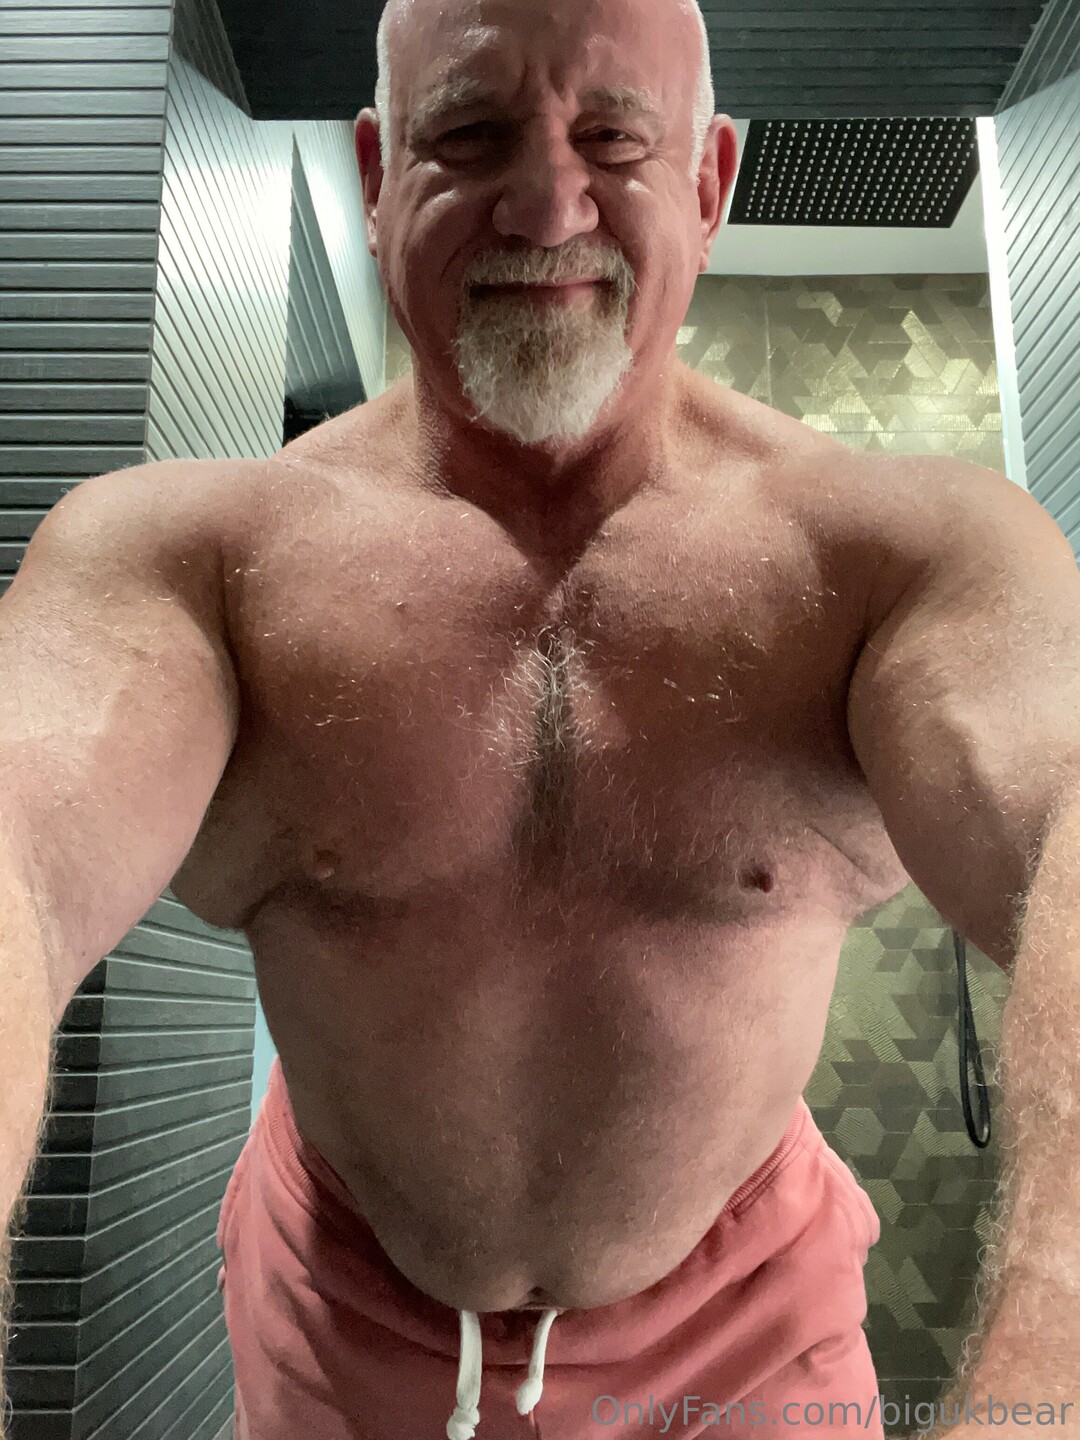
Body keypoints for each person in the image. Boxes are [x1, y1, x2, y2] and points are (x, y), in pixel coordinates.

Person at [2, 0, 1079, 1435]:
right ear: (377, 172)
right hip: (338, 1314)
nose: (547, 201)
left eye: (614, 137)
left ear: (710, 181)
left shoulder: (901, 558)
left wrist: (1042, 1390)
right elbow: (16, 846)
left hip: (749, 1326)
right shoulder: (190, 561)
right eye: (470, 132)